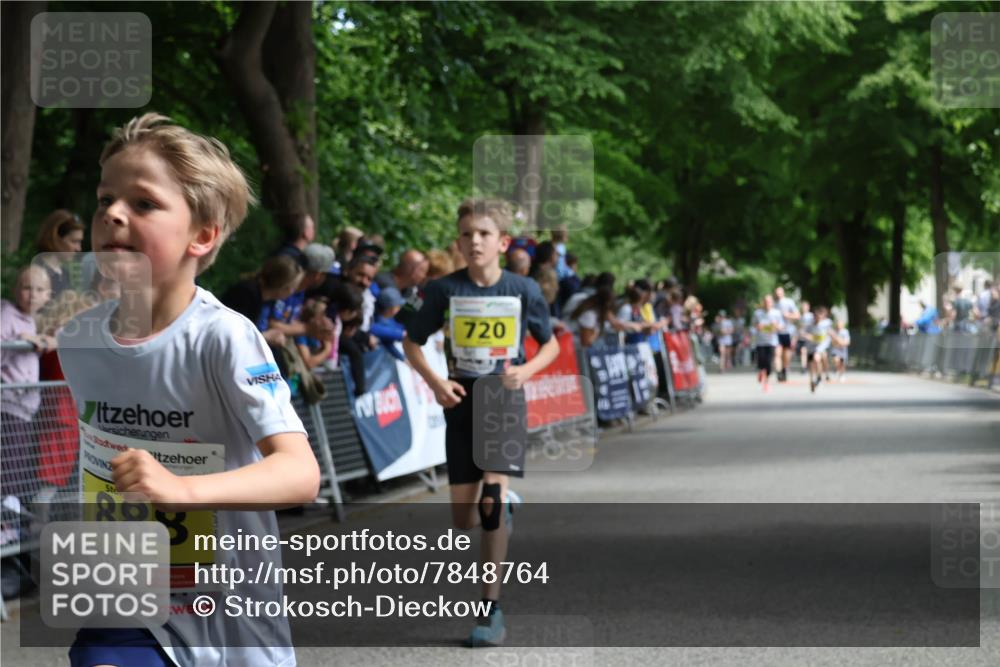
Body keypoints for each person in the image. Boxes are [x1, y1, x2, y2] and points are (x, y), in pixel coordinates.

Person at [57, 112, 320, 667]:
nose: (111, 214)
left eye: (143, 203)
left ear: (202, 235)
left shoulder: (224, 338)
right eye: (105, 199)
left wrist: (183, 490)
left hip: (229, 608)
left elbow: (301, 474)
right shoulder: (78, 340)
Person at [403, 198, 559, 647]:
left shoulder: (523, 289)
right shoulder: (441, 290)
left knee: (489, 503)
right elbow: (411, 342)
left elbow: (548, 344)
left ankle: (489, 610)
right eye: (467, 233)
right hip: (461, 402)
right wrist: (435, 382)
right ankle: (503, 506)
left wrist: (525, 371)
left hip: (503, 401)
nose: (475, 241)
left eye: (484, 234)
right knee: (465, 520)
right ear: (458, 241)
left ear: (503, 242)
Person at [1, 266, 54, 501]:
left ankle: (8, 521)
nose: (32, 294)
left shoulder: (31, 321)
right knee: (10, 466)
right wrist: (19, 341)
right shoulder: (7, 315)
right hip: (9, 403)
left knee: (18, 464)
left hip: (25, 407)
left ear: (48, 295)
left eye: (39, 289)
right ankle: (5, 525)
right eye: (26, 287)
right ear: (15, 290)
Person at [34, 209, 86, 296]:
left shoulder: (64, 273)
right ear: (55, 239)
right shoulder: (37, 274)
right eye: (74, 241)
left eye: (80, 242)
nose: (79, 249)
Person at [752, 294, 782, 393]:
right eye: (765, 301)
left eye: (769, 302)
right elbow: (753, 326)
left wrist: (775, 326)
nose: (767, 303)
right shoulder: (757, 313)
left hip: (772, 342)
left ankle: (766, 382)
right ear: (763, 303)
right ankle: (761, 372)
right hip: (760, 342)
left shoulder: (776, 313)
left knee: (769, 363)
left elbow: (781, 326)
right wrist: (758, 327)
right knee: (761, 361)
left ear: (772, 303)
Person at [370, 286, 407, 361]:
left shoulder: (388, 318)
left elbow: (387, 342)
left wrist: (402, 358)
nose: (399, 309)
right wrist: (402, 334)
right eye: (398, 306)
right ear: (391, 309)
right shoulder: (377, 322)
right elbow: (373, 329)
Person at [804, 305, 833, 392]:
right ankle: (812, 381)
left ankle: (820, 376)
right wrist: (808, 336)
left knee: (817, 359)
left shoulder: (826, 323)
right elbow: (804, 333)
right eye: (815, 316)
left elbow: (830, 332)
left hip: (820, 346)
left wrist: (837, 340)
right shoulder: (810, 325)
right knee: (811, 365)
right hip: (811, 347)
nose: (817, 318)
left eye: (819, 316)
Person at [774, 286, 799, 382]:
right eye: (776, 293)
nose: (778, 295)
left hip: (788, 332)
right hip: (776, 333)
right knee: (777, 353)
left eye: (779, 293)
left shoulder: (789, 302)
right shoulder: (773, 304)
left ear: (783, 293)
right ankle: (779, 371)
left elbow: (797, 315)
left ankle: (784, 368)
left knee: (786, 354)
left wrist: (788, 315)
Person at [830, 318, 851, 382]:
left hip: (842, 350)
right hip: (836, 349)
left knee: (842, 363)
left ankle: (842, 375)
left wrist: (841, 342)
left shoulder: (845, 331)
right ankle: (837, 369)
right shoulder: (834, 331)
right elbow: (832, 341)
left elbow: (847, 341)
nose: (838, 325)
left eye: (840, 324)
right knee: (836, 360)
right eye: (838, 324)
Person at [796, 300, 814, 373]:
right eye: (802, 306)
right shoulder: (800, 316)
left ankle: (807, 366)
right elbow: (799, 327)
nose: (803, 308)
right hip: (802, 338)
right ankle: (803, 367)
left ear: (808, 307)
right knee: (803, 351)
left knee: (807, 352)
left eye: (805, 306)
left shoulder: (811, 316)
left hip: (809, 338)